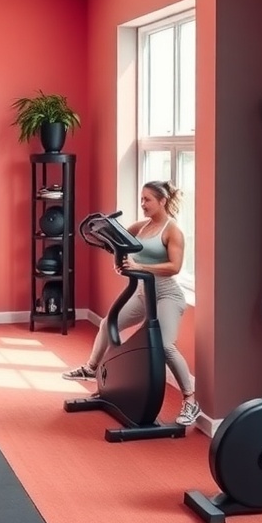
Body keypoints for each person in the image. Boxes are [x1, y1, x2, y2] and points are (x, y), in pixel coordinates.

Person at [62, 180, 200, 427]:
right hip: (141, 294)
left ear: (162, 201)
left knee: (165, 346)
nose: (143, 204)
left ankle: (191, 399)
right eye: (141, 199)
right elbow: (117, 241)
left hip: (166, 295)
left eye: (147, 200)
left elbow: (174, 267)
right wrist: (106, 238)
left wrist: (139, 266)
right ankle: (92, 368)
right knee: (108, 323)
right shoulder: (141, 226)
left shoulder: (172, 231)